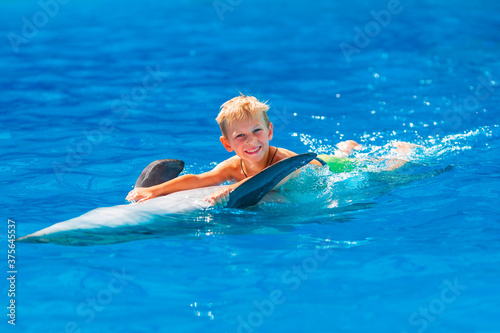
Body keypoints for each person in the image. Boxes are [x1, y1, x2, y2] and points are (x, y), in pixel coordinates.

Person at [126, 94, 325, 207]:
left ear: (270, 131)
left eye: (257, 131)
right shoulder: (232, 167)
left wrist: (230, 189)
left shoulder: (282, 161)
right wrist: (153, 191)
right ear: (227, 144)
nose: (252, 141)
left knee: (341, 158)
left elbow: (269, 178)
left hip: (325, 167)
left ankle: (345, 150)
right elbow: (200, 179)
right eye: (241, 136)